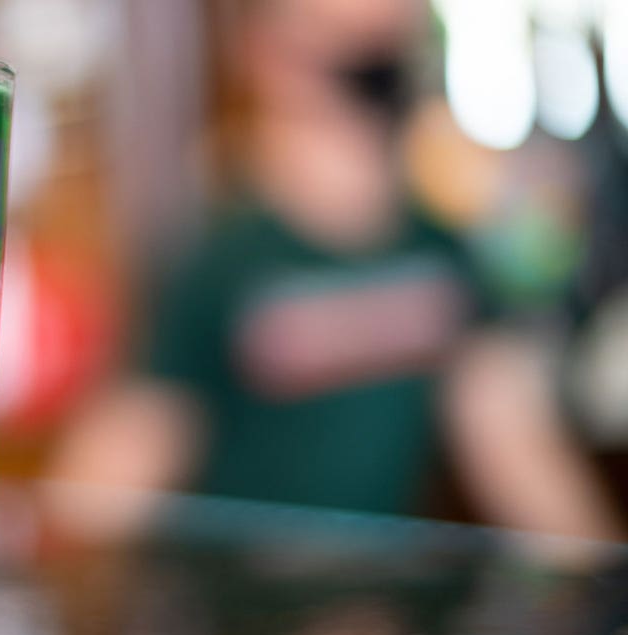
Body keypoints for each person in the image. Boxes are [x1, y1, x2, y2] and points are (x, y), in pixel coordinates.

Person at [45, 0, 623, 545]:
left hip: (382, 619)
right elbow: (125, 457)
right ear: (267, 52)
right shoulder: (222, 259)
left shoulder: (440, 252)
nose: (374, 48)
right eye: (345, 35)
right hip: (248, 622)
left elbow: (516, 443)